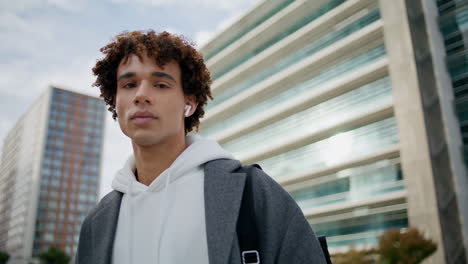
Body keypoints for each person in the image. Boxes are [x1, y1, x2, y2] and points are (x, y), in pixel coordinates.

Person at [76, 30, 327, 264]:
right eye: (129, 84)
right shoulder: (97, 224)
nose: (141, 95)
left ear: (190, 102)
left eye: (161, 84)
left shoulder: (252, 192)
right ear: (115, 101)